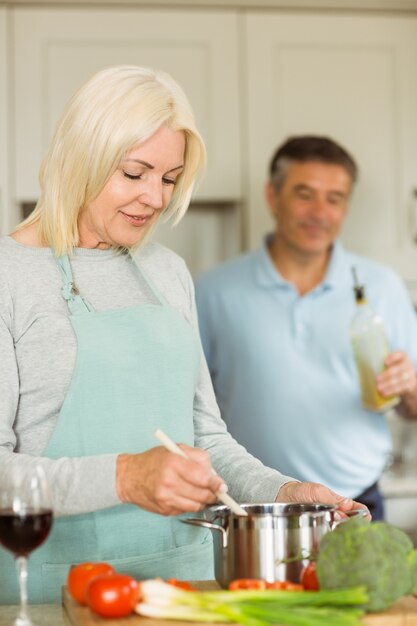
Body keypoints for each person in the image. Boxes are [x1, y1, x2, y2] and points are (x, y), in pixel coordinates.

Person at [0, 73, 366, 605]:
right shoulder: (9, 276)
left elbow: (205, 439)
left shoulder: (167, 271)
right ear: (82, 154)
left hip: (188, 584)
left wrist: (284, 493)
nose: (154, 198)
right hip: (57, 588)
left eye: (169, 179)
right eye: (134, 173)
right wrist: (126, 477)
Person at [196, 135, 417, 523]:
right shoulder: (214, 292)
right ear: (272, 196)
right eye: (304, 194)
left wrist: (410, 388)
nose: (320, 212)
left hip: (356, 503)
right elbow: (193, 411)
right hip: (254, 505)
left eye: (335, 198)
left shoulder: (382, 286)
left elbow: (413, 408)